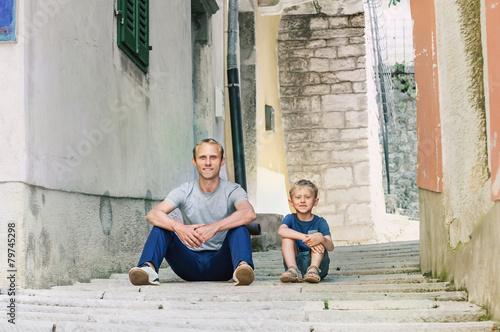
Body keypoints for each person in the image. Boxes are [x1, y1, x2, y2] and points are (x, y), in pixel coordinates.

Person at [129, 138, 256, 286]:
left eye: (213, 157)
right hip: (188, 263)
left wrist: (214, 227)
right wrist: (179, 228)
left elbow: (249, 213)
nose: (207, 162)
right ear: (194, 161)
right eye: (202, 157)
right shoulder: (185, 190)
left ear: (222, 161)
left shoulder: (233, 190)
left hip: (222, 264)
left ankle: (243, 268)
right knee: (162, 227)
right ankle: (147, 269)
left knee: (240, 227)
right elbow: (153, 214)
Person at [278, 179, 334, 283]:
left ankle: (313, 269)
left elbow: (330, 247)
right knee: (287, 238)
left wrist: (320, 238)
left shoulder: (320, 222)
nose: (302, 201)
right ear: (291, 202)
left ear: (315, 201)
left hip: (318, 266)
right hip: (296, 264)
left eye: (307, 197)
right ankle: (292, 269)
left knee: (318, 237)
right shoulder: (290, 218)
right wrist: (306, 238)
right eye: (298, 197)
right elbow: (281, 231)